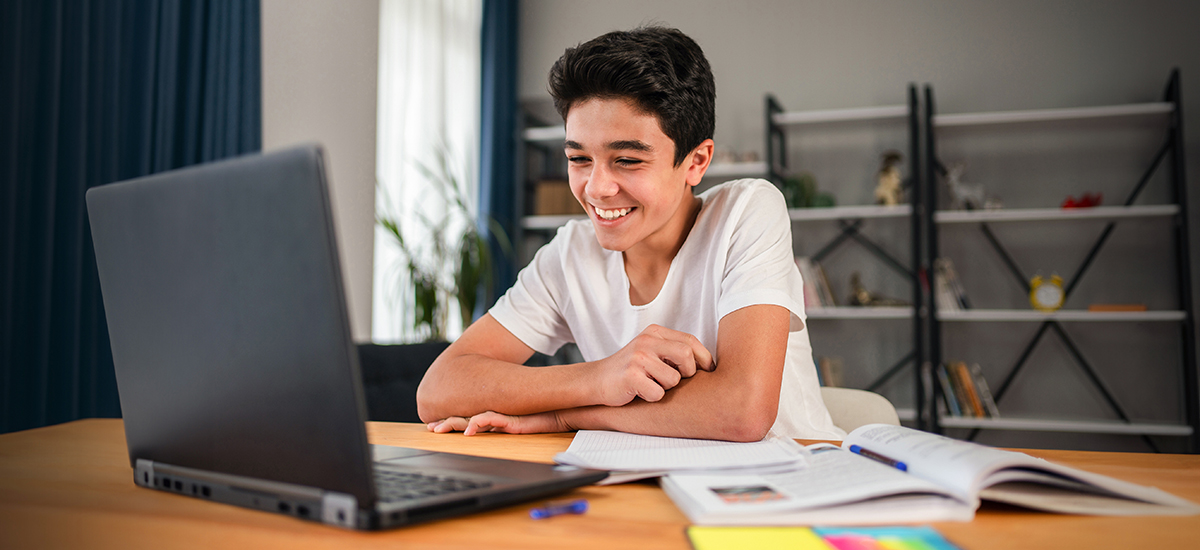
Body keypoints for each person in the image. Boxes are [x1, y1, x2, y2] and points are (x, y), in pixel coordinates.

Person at [416, 26, 843, 442]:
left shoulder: (745, 211)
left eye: (627, 160)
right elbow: (438, 390)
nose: (596, 187)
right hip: (649, 483)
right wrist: (600, 377)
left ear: (696, 162)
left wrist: (564, 417)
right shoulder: (570, 254)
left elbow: (742, 412)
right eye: (579, 158)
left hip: (791, 483)